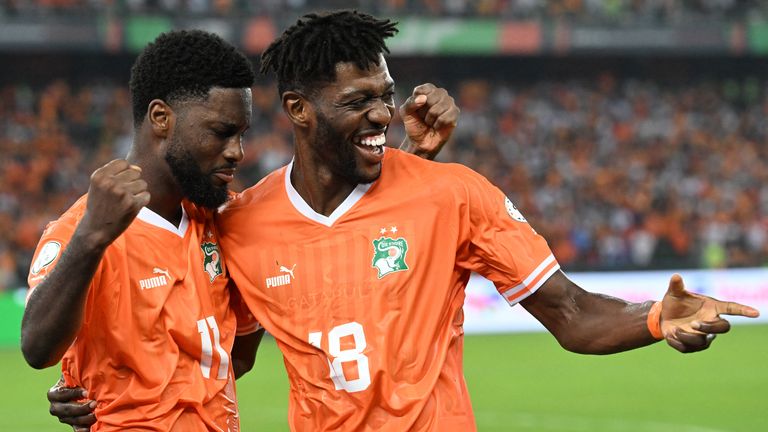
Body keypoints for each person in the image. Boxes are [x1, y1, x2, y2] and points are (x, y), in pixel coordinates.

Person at [48, 10, 759, 432]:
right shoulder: (241, 224)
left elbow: (572, 314)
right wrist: (96, 393)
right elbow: (226, 353)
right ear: (299, 110)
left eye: (386, 95)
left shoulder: (453, 195)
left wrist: (652, 320)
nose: (384, 115)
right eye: (360, 100)